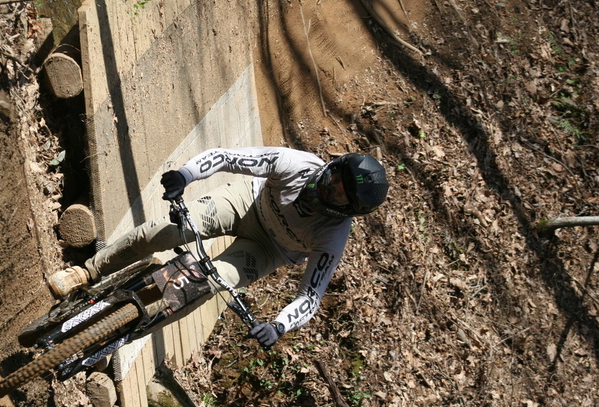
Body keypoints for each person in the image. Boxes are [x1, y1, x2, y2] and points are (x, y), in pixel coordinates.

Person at [48, 147, 388, 348]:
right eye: (335, 177)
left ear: (346, 210)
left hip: (268, 250)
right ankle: (86, 272)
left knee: (203, 285)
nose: (330, 188)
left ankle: (120, 334)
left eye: (341, 194)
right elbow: (230, 156)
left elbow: (310, 296)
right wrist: (186, 175)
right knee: (167, 231)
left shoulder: (333, 235)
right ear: (333, 165)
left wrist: (278, 326)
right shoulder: (298, 165)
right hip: (248, 202)